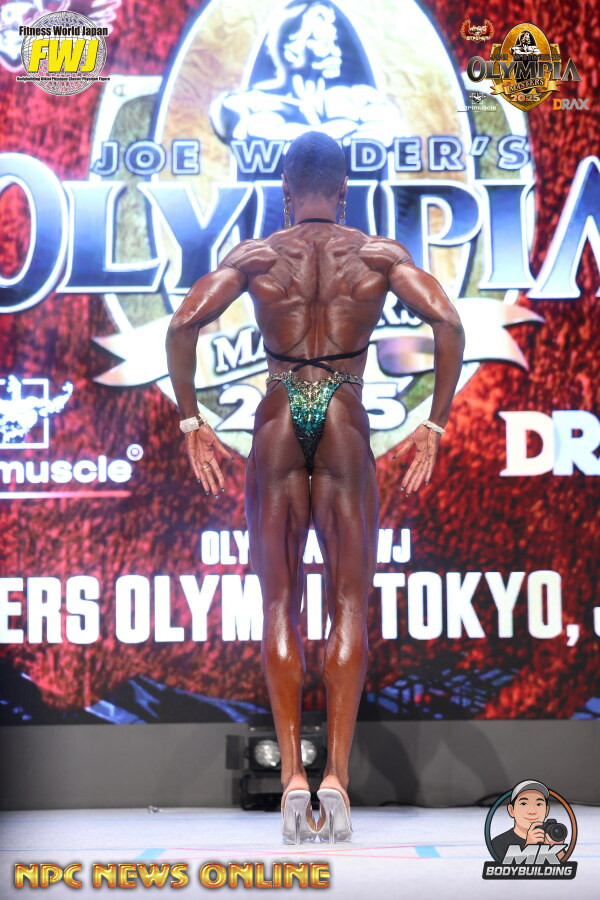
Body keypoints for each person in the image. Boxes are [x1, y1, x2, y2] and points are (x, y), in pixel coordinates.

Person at [165, 131, 465, 843]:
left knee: (279, 600)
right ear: (345, 191)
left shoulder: (258, 256)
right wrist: (434, 424)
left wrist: (191, 421)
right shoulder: (377, 255)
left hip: (277, 413)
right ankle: (335, 778)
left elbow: (182, 325)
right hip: (343, 412)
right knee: (349, 599)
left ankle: (293, 782)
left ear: (284, 190)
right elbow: (448, 321)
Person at [491, 781, 567, 862]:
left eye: (539, 804)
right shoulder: (498, 843)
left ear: (546, 811)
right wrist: (529, 847)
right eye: (524, 804)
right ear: (511, 810)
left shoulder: (550, 838)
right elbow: (506, 869)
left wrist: (557, 849)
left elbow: (566, 867)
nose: (532, 811)